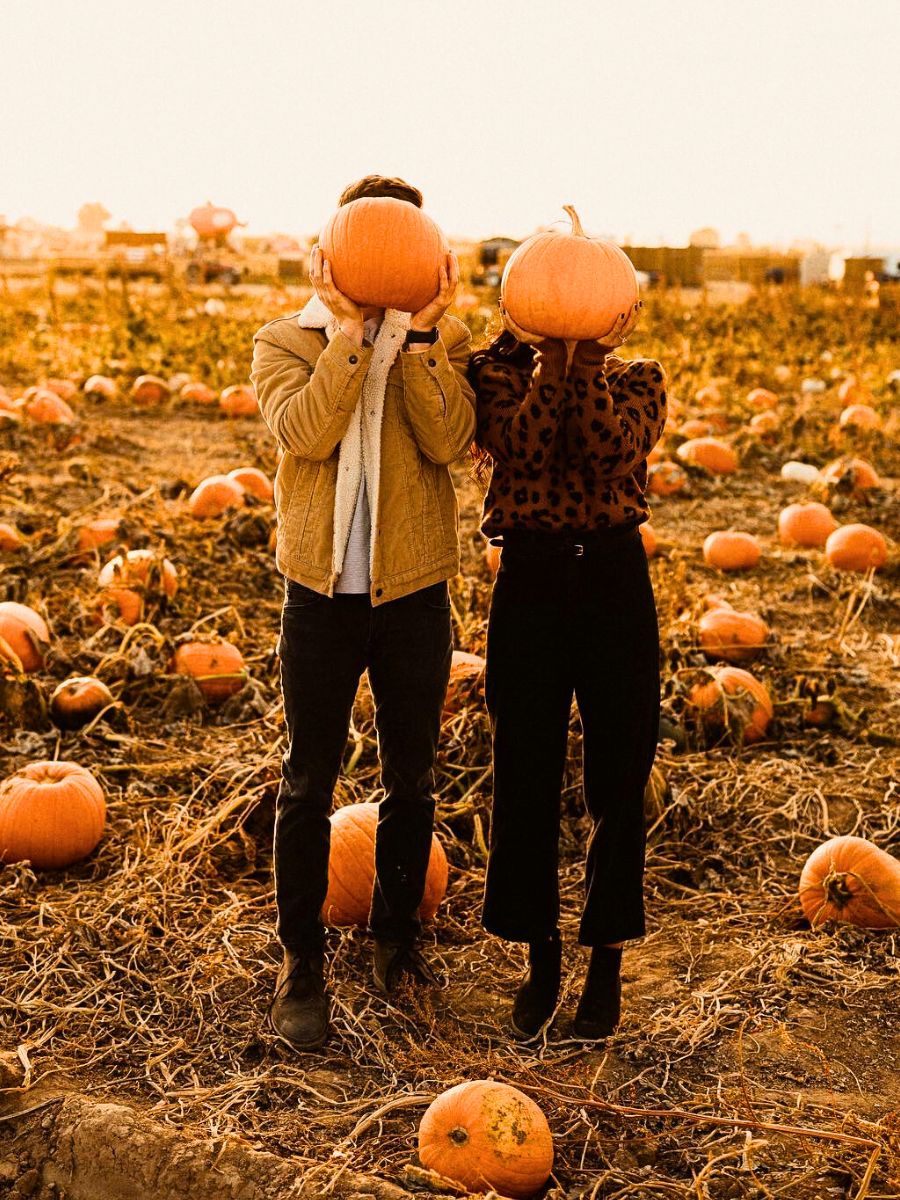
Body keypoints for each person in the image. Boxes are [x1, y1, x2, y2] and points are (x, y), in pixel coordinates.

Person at [250, 175, 476, 1050]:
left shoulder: (443, 342)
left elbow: (449, 442)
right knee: (309, 780)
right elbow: (306, 433)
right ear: (333, 249)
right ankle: (302, 963)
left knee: (410, 781)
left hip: (414, 594)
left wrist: (417, 337)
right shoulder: (285, 341)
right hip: (318, 596)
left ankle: (395, 941)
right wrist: (350, 332)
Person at [468, 296, 667, 1042]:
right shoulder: (494, 373)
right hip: (532, 578)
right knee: (524, 765)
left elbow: (605, 449)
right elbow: (525, 447)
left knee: (620, 771)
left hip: (615, 577)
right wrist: (553, 362)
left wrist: (584, 362)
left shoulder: (640, 377)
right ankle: (540, 954)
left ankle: (606, 955)